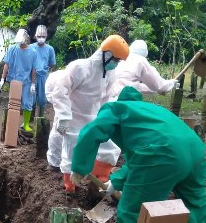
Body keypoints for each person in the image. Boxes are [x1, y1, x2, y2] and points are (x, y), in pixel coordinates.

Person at [70, 86, 206, 223]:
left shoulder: (116, 109)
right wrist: (115, 182)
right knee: (196, 205)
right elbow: (137, 157)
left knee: (134, 208)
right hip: (196, 151)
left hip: (162, 153)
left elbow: (92, 131)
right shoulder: (153, 112)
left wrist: (79, 167)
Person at [45, 34, 129, 192]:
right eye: (116, 60)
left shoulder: (110, 74)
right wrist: (63, 116)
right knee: (67, 142)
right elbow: (61, 91)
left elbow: (105, 98)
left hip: (92, 115)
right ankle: (67, 182)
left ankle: (99, 179)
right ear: (106, 54)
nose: (116, 64)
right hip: (72, 113)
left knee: (107, 143)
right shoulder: (80, 68)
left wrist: (102, 120)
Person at [106, 40, 179, 101]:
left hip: (110, 98)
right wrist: (171, 83)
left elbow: (134, 85)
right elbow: (159, 85)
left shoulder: (122, 59)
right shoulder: (140, 60)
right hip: (125, 99)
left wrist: (155, 91)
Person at [0, 29, 37, 132]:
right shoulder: (12, 49)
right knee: (13, 103)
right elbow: (6, 64)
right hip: (14, 80)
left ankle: (25, 124)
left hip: (27, 81)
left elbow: (34, 69)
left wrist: (33, 84)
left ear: (26, 39)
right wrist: (3, 78)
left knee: (27, 103)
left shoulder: (33, 52)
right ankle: (10, 123)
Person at [31, 25, 56, 118]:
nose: (41, 38)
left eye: (43, 37)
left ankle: (40, 119)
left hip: (43, 76)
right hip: (31, 76)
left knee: (42, 100)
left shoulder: (50, 49)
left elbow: (52, 63)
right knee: (30, 99)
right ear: (35, 36)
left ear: (46, 37)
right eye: (39, 36)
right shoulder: (31, 48)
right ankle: (29, 120)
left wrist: (45, 69)